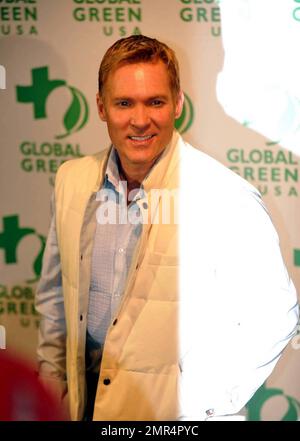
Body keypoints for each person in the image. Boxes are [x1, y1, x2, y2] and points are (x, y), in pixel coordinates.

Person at [35, 35, 299, 421]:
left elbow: (277, 316)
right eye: (124, 103)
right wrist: (51, 391)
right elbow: (56, 301)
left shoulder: (227, 195)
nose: (140, 120)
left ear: (177, 103)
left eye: (155, 101)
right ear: (101, 107)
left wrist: (196, 406)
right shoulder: (71, 180)